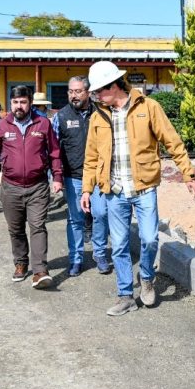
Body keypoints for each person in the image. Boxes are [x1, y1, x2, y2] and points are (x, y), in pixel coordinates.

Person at [81, 61, 195, 316]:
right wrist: (86, 190)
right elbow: (91, 156)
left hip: (144, 187)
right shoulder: (97, 117)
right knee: (121, 245)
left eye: (99, 91)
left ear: (114, 86)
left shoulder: (148, 108)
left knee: (149, 239)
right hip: (114, 192)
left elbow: (172, 140)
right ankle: (125, 295)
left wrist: (187, 173)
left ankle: (146, 277)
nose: (97, 96)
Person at [0, 85, 62, 290]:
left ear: (30, 103)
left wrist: (57, 177)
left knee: (38, 227)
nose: (19, 106)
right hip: (11, 187)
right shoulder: (2, 126)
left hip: (38, 186)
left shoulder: (43, 124)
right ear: (11, 103)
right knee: (16, 229)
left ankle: (40, 271)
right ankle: (20, 263)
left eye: (23, 102)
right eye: (15, 102)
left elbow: (54, 153)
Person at [52, 75, 111, 278]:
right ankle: (75, 259)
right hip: (73, 176)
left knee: (100, 214)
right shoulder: (61, 117)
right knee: (75, 219)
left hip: (99, 176)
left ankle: (100, 253)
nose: (73, 95)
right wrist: (56, 176)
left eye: (78, 91)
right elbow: (54, 149)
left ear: (88, 92)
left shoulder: (103, 113)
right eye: (70, 91)